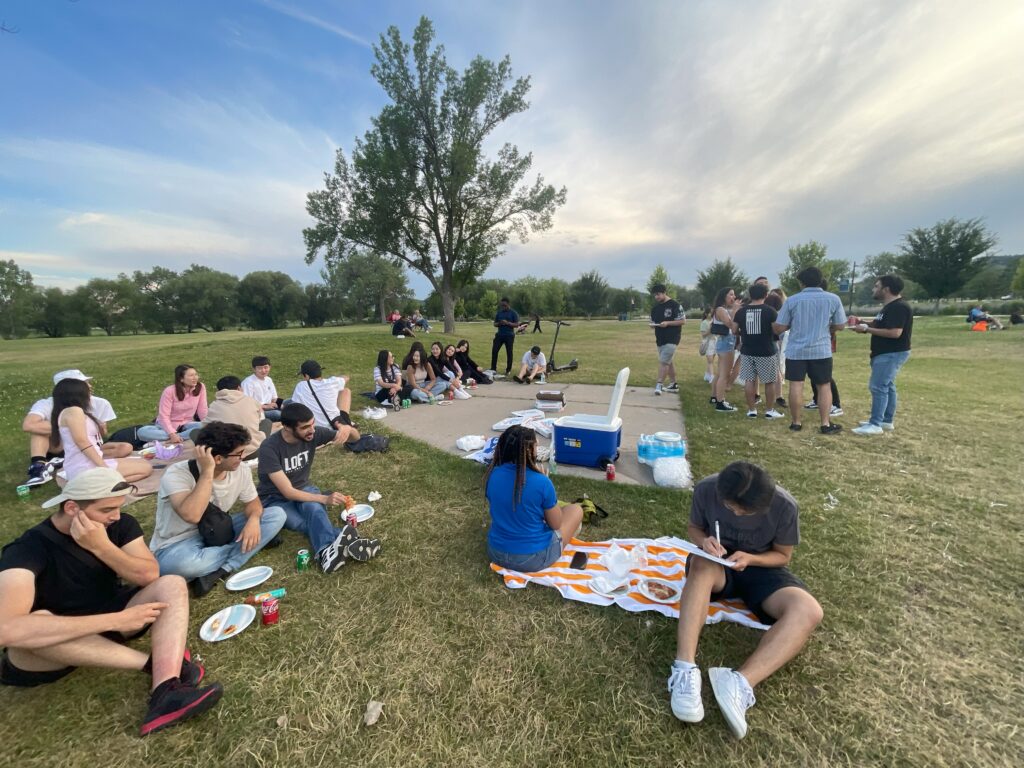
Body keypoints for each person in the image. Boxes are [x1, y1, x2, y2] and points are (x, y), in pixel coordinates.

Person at [0, 467, 224, 735]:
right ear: (72, 508)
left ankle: (166, 691)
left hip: (110, 618)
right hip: (52, 645)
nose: (115, 516)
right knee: (36, 624)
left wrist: (101, 547)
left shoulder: (119, 525)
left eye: (118, 508)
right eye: (107, 510)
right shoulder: (26, 550)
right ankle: (153, 664)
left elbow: (148, 575)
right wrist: (118, 620)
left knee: (172, 583)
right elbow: (7, 630)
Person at [667, 461, 822, 740]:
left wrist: (751, 558)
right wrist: (704, 543)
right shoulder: (706, 489)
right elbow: (694, 527)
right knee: (701, 567)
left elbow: (783, 556)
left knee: (809, 610)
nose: (737, 513)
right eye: (730, 508)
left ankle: (738, 683)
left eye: (745, 511)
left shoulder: (785, 506)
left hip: (761, 569)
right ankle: (685, 668)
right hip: (716, 565)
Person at [149, 422, 286, 596]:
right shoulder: (177, 474)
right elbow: (192, 515)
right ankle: (250, 547)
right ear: (218, 458)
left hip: (219, 530)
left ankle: (224, 568)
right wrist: (207, 472)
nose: (242, 457)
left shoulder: (240, 470)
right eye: (238, 454)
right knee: (179, 567)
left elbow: (254, 504)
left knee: (276, 515)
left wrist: (253, 521)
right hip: (178, 543)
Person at [256, 403, 381, 573]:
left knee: (315, 513)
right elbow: (287, 491)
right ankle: (351, 543)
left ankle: (324, 554)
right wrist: (324, 498)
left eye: (313, 424)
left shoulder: (313, 434)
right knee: (304, 524)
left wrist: (347, 429)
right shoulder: (269, 448)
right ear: (286, 427)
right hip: (275, 499)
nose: (312, 430)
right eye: (305, 427)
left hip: (304, 489)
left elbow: (355, 438)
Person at [485, 426, 584, 572]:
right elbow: (556, 524)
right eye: (536, 445)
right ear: (529, 450)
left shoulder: (493, 474)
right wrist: (546, 486)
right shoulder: (542, 482)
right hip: (533, 558)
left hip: (496, 552)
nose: (538, 448)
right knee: (575, 510)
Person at [773, 267, 846, 434]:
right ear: (821, 280)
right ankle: (825, 423)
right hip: (821, 350)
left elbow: (779, 327)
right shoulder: (833, 299)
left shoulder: (792, 300)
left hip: (796, 350)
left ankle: (796, 422)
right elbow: (841, 325)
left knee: (796, 385)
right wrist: (828, 327)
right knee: (824, 386)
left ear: (801, 282)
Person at [21, 369, 118, 487]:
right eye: (84, 383)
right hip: (61, 445)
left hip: (87, 445)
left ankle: (61, 462)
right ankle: (38, 467)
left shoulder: (100, 403)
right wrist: (69, 426)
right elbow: (29, 425)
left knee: (124, 448)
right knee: (38, 432)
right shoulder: (46, 404)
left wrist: (97, 427)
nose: (89, 386)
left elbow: (101, 435)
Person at [51, 378, 152, 483]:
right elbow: (82, 442)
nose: (90, 389)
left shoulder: (71, 412)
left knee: (143, 464)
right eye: (87, 389)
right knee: (146, 468)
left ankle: (104, 482)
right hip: (84, 466)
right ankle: (104, 484)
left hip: (88, 462)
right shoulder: (74, 411)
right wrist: (103, 467)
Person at [851, 274, 914, 435]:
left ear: (886, 289)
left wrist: (866, 329)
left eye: (876, 286)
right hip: (884, 353)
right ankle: (886, 420)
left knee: (878, 386)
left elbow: (895, 332)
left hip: (891, 353)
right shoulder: (889, 307)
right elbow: (880, 324)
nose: (874, 289)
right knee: (888, 386)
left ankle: (875, 424)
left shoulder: (899, 307)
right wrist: (862, 322)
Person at [732, 284, 784, 420]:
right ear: (766, 295)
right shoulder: (770, 311)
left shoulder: (741, 312)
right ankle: (769, 410)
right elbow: (776, 330)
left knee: (749, 380)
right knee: (769, 381)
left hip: (748, 350)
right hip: (767, 350)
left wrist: (743, 332)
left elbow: (733, 330)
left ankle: (751, 410)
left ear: (750, 295)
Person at [289, 360, 360, 444]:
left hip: (317, 429)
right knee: (345, 391)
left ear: (307, 376)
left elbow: (294, 407)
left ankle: (346, 424)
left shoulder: (300, 386)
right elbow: (346, 377)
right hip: (335, 422)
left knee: (289, 402)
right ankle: (347, 422)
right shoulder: (331, 382)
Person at [201, 375, 270, 458]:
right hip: (252, 451)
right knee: (267, 423)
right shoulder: (251, 401)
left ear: (219, 391)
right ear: (239, 388)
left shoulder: (214, 405)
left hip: (225, 454)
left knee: (196, 432)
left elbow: (204, 426)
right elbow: (261, 419)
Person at [137, 364, 208, 443]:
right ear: (181, 379)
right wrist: (171, 433)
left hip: (186, 425)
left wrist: (208, 424)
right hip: (165, 427)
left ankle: (175, 438)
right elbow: (164, 415)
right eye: (191, 375)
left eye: (196, 374)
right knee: (142, 432)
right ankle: (181, 436)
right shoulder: (169, 391)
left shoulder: (201, 387)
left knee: (206, 427)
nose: (195, 378)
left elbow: (202, 409)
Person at [650, 284, 685, 395]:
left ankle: (659, 385)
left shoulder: (675, 305)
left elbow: (683, 321)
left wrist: (668, 323)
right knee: (668, 362)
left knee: (664, 361)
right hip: (660, 339)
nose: (656, 297)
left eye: (658, 294)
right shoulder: (655, 308)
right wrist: (652, 325)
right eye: (655, 295)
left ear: (665, 292)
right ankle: (674, 384)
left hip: (672, 338)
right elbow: (653, 321)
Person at [709, 287, 739, 412]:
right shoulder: (721, 310)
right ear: (724, 296)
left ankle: (715, 397)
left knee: (720, 373)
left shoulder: (723, 309)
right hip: (726, 344)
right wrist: (736, 311)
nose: (734, 297)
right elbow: (731, 326)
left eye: (734, 295)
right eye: (731, 295)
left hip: (725, 343)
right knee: (725, 375)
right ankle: (721, 402)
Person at [242, 356, 284, 423]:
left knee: (289, 403)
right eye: (260, 368)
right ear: (254, 369)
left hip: (270, 406)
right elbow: (248, 404)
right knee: (277, 414)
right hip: (258, 410)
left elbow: (274, 398)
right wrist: (266, 406)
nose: (263, 370)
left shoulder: (269, 379)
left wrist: (281, 406)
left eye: (265, 367)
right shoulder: (248, 383)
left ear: (270, 367)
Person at [490, 297, 520, 376]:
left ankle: (508, 370)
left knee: (509, 352)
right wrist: (499, 323)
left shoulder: (513, 313)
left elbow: (517, 324)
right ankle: (493, 368)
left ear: (508, 304)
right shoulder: (499, 313)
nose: (503, 307)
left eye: (505, 305)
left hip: (509, 335)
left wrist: (507, 323)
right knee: (494, 351)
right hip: (500, 335)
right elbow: (494, 324)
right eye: (502, 305)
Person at [698, 308, 716, 383]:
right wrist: (710, 330)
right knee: (710, 360)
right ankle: (712, 376)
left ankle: (707, 375)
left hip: (715, 342)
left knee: (711, 360)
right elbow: (703, 335)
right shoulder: (704, 322)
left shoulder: (714, 321)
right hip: (708, 343)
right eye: (710, 313)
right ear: (706, 314)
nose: (711, 314)